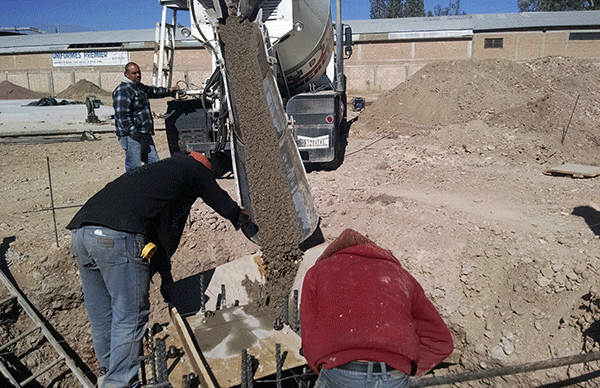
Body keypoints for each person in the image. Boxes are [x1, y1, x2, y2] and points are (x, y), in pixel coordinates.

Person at [67, 151, 251, 388]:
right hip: (117, 238)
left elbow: (162, 235)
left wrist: (166, 277)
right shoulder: (194, 169)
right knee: (129, 317)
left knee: (102, 315)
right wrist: (240, 216)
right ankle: (119, 384)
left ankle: (107, 375)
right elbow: (219, 200)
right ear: (206, 166)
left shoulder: (160, 175)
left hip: (82, 235)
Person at [300, 229, 454, 388]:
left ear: (332, 253)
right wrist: (409, 371)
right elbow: (441, 341)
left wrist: (320, 364)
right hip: (394, 373)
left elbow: (308, 331)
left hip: (342, 371)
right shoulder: (401, 276)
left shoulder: (318, 272)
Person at [113, 62, 178, 171]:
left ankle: (155, 187)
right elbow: (122, 115)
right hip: (132, 136)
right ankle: (133, 187)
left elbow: (153, 91)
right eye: (134, 73)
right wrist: (133, 131)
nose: (138, 75)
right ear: (126, 74)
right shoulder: (123, 91)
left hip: (144, 133)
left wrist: (169, 91)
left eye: (139, 72)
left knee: (155, 165)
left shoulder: (138, 87)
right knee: (134, 168)